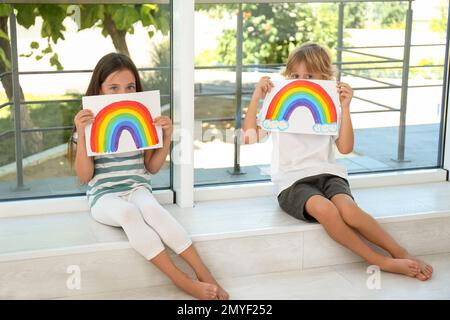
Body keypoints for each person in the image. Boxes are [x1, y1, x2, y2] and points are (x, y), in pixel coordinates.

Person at [242, 42, 433, 281]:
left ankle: (399, 251)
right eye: (295, 75)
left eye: (309, 76)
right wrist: (256, 97)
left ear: (325, 77)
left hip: (328, 174)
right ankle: (378, 260)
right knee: (325, 209)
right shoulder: (277, 105)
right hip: (292, 183)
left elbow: (345, 147)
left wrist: (345, 107)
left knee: (350, 212)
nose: (301, 81)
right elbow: (249, 138)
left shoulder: (330, 106)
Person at [68, 52, 229, 299]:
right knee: (129, 213)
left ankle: (204, 273)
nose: (123, 93)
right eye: (113, 87)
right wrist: (81, 132)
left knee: (153, 210)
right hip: (104, 197)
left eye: (130, 87)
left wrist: (165, 137)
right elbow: (85, 176)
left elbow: (151, 168)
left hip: (137, 189)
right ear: (99, 91)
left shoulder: (140, 119)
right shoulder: (88, 125)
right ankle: (183, 281)